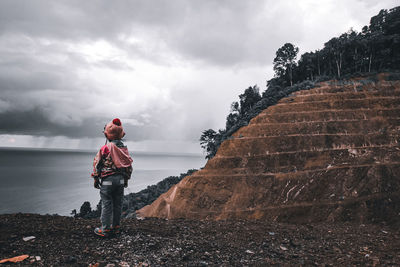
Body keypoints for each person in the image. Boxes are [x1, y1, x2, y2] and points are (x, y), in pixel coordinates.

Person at [91, 118, 133, 237]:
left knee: (107, 204)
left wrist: (95, 178)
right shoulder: (124, 149)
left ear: (107, 134)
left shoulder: (106, 148)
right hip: (120, 180)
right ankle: (116, 227)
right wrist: (125, 180)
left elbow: (97, 163)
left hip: (108, 181)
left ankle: (105, 229)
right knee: (118, 204)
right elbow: (128, 166)